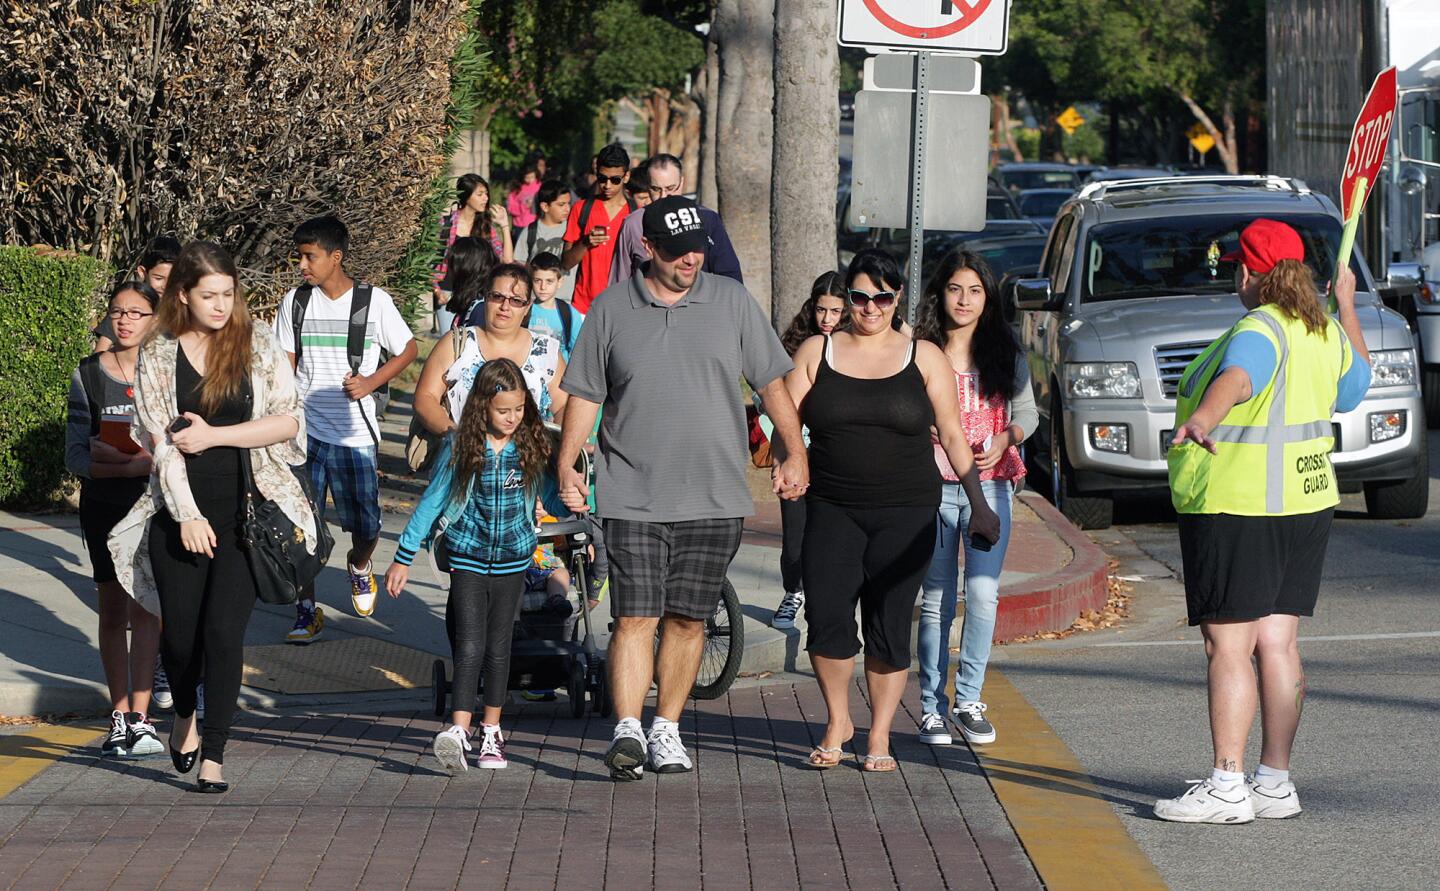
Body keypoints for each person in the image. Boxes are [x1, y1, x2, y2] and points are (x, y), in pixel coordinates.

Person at [556, 196, 808, 781]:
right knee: (634, 618)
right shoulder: (612, 307)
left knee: (689, 619)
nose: (690, 260)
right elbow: (587, 393)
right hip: (631, 493)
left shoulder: (732, 301)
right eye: (676, 252)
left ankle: (666, 729)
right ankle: (626, 730)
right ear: (648, 249)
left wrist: (794, 450)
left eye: (697, 249)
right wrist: (568, 460)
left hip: (714, 495)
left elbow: (772, 383)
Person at [1154, 220, 1371, 824]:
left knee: (1229, 643)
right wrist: (1347, 306)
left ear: (1250, 273)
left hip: (1240, 505)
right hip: (1305, 504)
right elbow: (1355, 388)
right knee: (1277, 642)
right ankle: (1274, 780)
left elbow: (1240, 376)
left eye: (1237, 272)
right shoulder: (1322, 328)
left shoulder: (1260, 326)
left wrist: (1204, 417)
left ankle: (1227, 783)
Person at [108, 241, 315, 793]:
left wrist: (217, 435)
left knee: (224, 635)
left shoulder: (257, 343)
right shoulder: (158, 353)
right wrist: (188, 515)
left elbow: (289, 421)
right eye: (210, 295)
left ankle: (215, 755)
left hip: (246, 514)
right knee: (180, 641)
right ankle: (183, 718)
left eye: (228, 294)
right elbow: (162, 442)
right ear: (183, 295)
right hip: (178, 517)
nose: (222, 305)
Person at [784, 248, 1000, 772]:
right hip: (831, 507)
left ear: (897, 297)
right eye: (860, 297)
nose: (871, 308)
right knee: (828, 616)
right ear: (847, 297)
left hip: (906, 512)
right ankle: (838, 719)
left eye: (883, 297)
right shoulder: (819, 350)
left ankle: (879, 731)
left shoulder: (923, 356)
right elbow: (783, 414)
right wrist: (789, 458)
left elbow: (952, 432)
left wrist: (979, 504)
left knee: (888, 621)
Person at [386, 359, 570, 772]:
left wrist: (574, 501)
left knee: (499, 647)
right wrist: (403, 557)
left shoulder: (531, 444)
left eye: (519, 409)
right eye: (503, 410)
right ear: (483, 406)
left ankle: (492, 731)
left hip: (513, 559)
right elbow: (432, 502)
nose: (512, 418)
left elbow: (551, 495)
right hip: (468, 556)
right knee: (469, 645)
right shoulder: (462, 445)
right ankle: (458, 730)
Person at [912, 250, 1037, 747]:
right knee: (938, 598)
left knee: (983, 593)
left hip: (991, 486)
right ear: (940, 294)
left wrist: (1007, 439)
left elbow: (1027, 411)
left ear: (988, 298)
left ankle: (968, 700)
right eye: (955, 289)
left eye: (975, 291)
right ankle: (930, 708)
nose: (964, 300)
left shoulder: (1005, 349)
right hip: (932, 486)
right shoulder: (919, 350)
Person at [275, 216, 418, 639]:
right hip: (306, 434)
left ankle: (359, 565)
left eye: (310, 256)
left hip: (355, 435)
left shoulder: (373, 303)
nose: (302, 264)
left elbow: (408, 348)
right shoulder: (295, 302)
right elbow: (286, 363)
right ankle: (306, 609)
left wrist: (371, 382)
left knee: (367, 526)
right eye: (299, 256)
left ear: (336, 257)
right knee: (303, 527)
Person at [68, 280, 164, 758]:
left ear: (154, 320)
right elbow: (77, 456)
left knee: (147, 608)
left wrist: (132, 462)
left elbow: (173, 448)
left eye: (135, 313)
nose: (124, 320)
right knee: (113, 609)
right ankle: (119, 716)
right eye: (117, 312)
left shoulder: (167, 372)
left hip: (152, 504)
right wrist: (126, 463)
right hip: (104, 505)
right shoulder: (88, 375)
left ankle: (142, 719)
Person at [763, 271, 848, 631]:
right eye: (820, 310)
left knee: (831, 532)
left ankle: (826, 597)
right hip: (798, 448)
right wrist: (781, 454)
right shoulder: (797, 344)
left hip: (839, 456)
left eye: (835, 311)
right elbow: (773, 397)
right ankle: (793, 592)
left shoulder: (856, 347)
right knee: (795, 531)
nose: (826, 319)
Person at [413, 263, 568, 438]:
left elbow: (563, 407)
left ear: (527, 307)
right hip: (461, 457)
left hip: (527, 460)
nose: (505, 306)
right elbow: (426, 397)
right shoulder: (456, 343)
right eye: (497, 297)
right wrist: (455, 437)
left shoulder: (547, 351)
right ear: (485, 298)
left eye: (516, 300)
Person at [609, 154, 743, 286]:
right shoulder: (633, 224)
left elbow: (730, 275)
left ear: (682, 182)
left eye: (670, 188)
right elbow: (619, 281)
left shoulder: (707, 219)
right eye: (655, 189)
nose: (663, 196)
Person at [561, 143, 633, 313]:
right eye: (602, 178)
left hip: (622, 308)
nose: (607, 185)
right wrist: (585, 243)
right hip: (583, 307)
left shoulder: (636, 213)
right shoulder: (581, 209)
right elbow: (565, 263)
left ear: (626, 177)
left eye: (615, 180)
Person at [94, 236, 181, 352]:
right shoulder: (126, 307)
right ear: (142, 272)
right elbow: (100, 353)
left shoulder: (183, 310)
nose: (165, 285)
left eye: (172, 278)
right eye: (159, 278)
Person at [513, 180, 576, 303]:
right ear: (545, 207)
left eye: (568, 204)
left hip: (565, 300)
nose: (567, 209)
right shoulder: (531, 231)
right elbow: (520, 266)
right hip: (535, 301)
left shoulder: (573, 229)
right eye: (561, 204)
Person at [523, 252, 583, 362]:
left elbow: (578, 353)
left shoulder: (570, 314)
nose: (543, 287)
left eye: (549, 281)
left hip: (560, 376)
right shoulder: (523, 310)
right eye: (537, 281)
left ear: (560, 282)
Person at [436, 236, 495, 335]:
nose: (449, 271)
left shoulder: (480, 309)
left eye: (452, 264)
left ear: (464, 270)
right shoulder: (471, 303)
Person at [506, 161, 543, 231]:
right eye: (527, 178)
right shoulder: (516, 188)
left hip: (535, 224)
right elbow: (510, 207)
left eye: (532, 177)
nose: (529, 180)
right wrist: (523, 207)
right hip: (519, 225)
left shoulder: (539, 186)